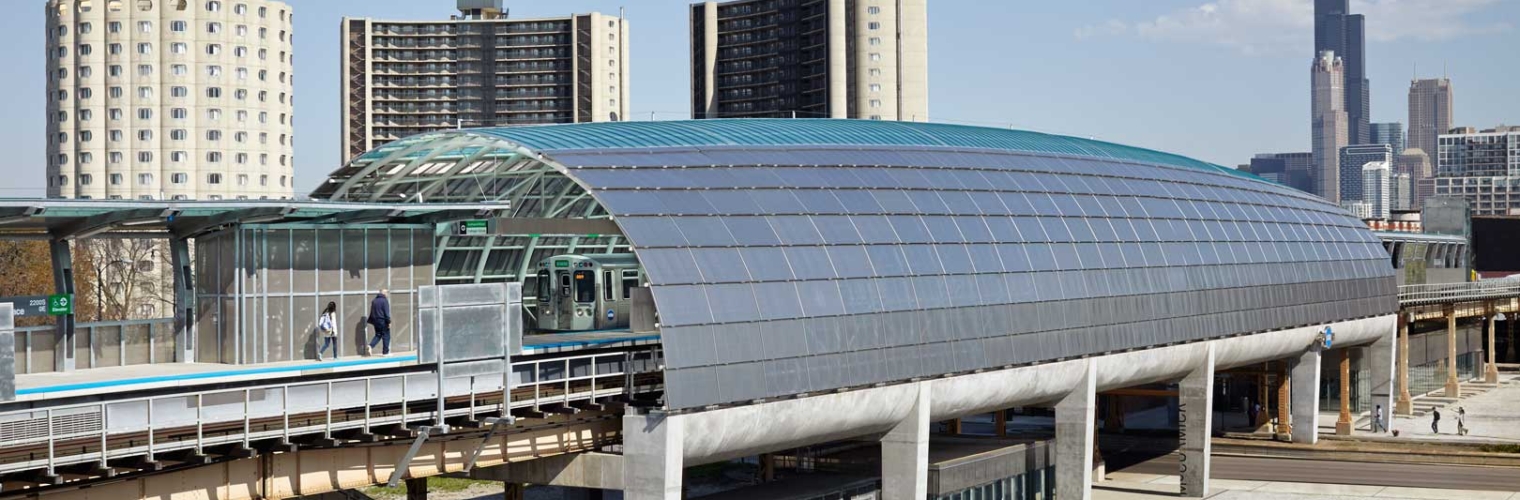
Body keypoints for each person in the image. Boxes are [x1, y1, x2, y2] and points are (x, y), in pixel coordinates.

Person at [366, 289, 392, 356]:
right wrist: (389, 321)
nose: (387, 294)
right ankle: (385, 352)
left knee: (378, 334)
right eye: (387, 293)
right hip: (383, 320)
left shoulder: (374, 301)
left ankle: (370, 346)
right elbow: (386, 313)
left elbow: (372, 312)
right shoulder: (384, 301)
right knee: (386, 336)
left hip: (375, 321)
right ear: (384, 293)